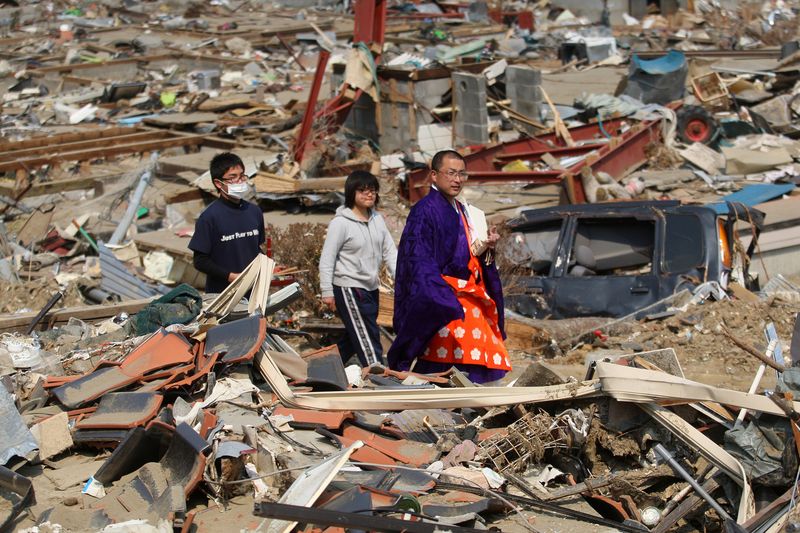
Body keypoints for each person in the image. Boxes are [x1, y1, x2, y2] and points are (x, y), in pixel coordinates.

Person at [387, 150, 511, 383]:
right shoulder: (425, 210)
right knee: (449, 352)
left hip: (469, 293)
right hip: (446, 294)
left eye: (462, 174)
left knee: (476, 350)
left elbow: (469, 252)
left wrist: (487, 245)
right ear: (434, 175)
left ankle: (467, 399)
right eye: (451, 173)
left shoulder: (463, 210)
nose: (457, 179)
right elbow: (417, 257)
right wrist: (436, 293)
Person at [319, 170, 397, 367]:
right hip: (348, 286)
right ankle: (376, 370)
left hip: (371, 286)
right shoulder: (341, 223)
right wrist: (327, 291)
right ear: (351, 193)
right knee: (368, 333)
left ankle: (324, 367)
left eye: (372, 190)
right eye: (362, 190)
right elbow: (327, 258)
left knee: (357, 332)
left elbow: (389, 251)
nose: (369, 194)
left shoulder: (377, 219)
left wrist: (401, 278)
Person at [189, 152, 265, 293]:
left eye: (242, 176)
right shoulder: (209, 218)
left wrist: (266, 267)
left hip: (252, 292)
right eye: (233, 177)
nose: (240, 181)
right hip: (222, 294)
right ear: (218, 183)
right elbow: (200, 261)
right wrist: (230, 276)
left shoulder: (254, 212)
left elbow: (255, 249)